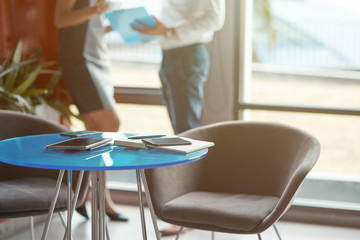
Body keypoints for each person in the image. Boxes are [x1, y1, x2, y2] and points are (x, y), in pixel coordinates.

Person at [132, 0, 225, 235]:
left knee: (187, 134)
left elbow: (216, 19)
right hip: (171, 54)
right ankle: (190, 211)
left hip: (188, 54)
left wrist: (169, 30)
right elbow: (176, 15)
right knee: (181, 133)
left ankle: (190, 214)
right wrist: (154, 29)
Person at [54, 0, 128, 222]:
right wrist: (95, 10)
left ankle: (89, 194)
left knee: (95, 133)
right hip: (80, 62)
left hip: (96, 58)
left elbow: (85, 28)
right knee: (110, 124)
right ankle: (99, 196)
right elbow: (61, 19)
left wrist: (110, 26)